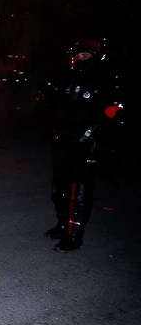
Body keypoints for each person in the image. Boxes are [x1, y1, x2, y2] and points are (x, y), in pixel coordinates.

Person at [38, 39, 125, 252]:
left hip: (86, 141)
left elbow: (115, 111)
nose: (81, 58)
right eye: (78, 55)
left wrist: (93, 131)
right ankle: (62, 225)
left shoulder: (104, 81)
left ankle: (74, 235)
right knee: (59, 187)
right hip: (63, 139)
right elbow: (50, 104)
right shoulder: (66, 77)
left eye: (86, 55)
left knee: (80, 190)